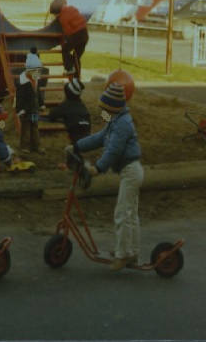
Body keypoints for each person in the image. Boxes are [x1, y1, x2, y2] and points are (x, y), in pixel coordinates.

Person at [71, 82, 143, 271]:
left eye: (105, 110)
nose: (103, 113)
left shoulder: (123, 124)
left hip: (131, 171)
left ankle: (123, 255)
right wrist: (76, 146)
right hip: (129, 171)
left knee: (123, 214)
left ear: (112, 108)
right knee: (130, 214)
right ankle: (131, 251)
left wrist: (98, 168)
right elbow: (99, 138)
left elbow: (113, 152)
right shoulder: (114, 121)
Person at [48, 78, 91, 169]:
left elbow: (51, 116)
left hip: (76, 133)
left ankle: (73, 167)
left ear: (67, 93)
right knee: (76, 148)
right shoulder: (82, 105)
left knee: (71, 149)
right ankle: (75, 164)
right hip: (87, 132)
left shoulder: (66, 105)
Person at [49, 0, 89, 76]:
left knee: (65, 50)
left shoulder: (63, 19)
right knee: (76, 58)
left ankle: (69, 68)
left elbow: (68, 32)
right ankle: (77, 78)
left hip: (77, 35)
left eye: (55, 14)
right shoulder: (71, 9)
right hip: (85, 34)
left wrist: (66, 39)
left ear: (58, 12)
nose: (55, 16)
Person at [15, 52, 45, 154]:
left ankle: (36, 145)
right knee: (26, 128)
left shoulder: (36, 79)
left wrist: (41, 103)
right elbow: (20, 97)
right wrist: (20, 109)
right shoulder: (22, 82)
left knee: (35, 127)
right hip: (26, 110)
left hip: (34, 109)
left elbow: (39, 92)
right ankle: (24, 146)